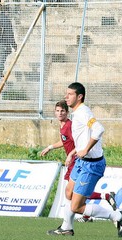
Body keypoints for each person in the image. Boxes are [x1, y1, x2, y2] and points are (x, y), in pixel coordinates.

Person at [47, 82, 122, 237]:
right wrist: (76, 152)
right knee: (68, 192)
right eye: (66, 93)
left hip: (91, 165)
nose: (66, 97)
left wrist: (86, 149)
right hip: (82, 162)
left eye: (70, 94)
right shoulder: (76, 113)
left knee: (76, 206)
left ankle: (117, 216)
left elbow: (99, 129)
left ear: (79, 97)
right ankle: (67, 227)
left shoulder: (83, 113)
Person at [41, 100, 116, 223]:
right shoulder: (63, 126)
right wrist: (50, 147)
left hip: (79, 161)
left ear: (67, 112)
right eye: (57, 111)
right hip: (76, 161)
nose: (60, 114)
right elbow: (64, 141)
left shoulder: (70, 125)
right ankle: (68, 226)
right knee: (70, 192)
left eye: (62, 111)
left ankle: (109, 209)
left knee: (73, 194)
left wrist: (71, 154)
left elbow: (80, 143)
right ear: (54, 112)